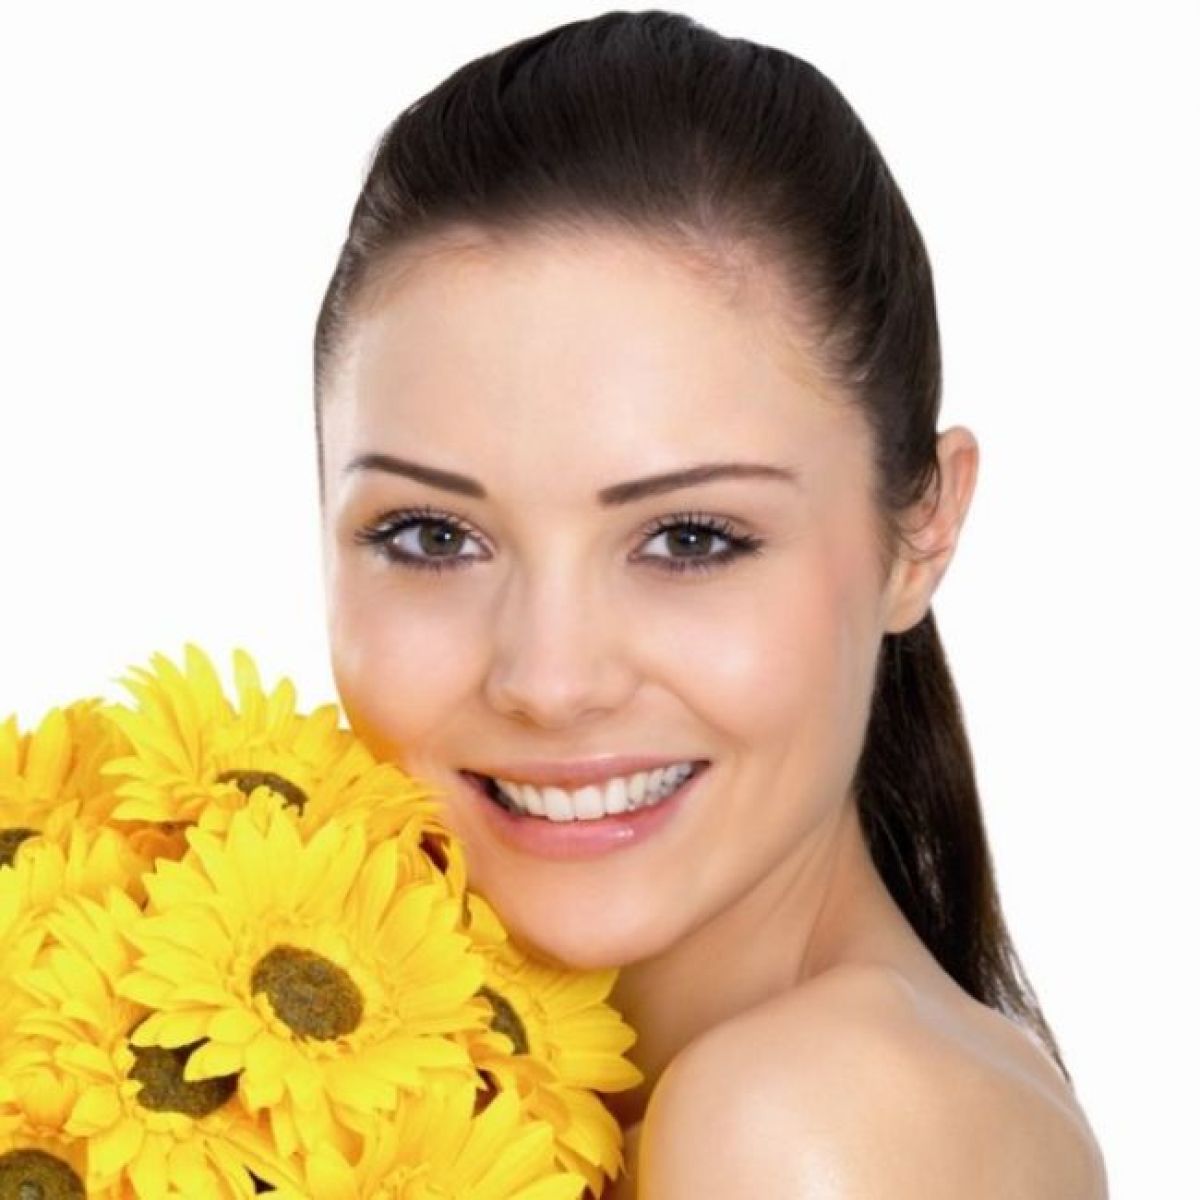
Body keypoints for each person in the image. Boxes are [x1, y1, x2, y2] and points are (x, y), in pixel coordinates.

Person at [313, 9, 1107, 1196]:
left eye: (690, 539)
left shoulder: (795, 1130)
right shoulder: (421, 1097)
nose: (549, 679)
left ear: (921, 532)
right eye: (434, 536)